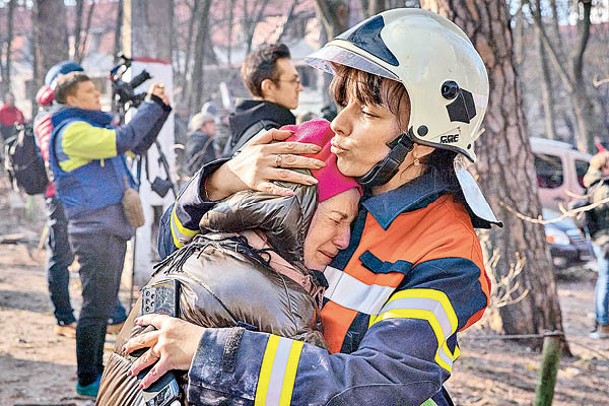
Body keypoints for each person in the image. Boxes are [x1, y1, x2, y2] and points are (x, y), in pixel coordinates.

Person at [125, 9, 500, 405]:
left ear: (422, 142)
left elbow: (378, 387)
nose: (339, 123)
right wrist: (219, 182)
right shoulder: (323, 170)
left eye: (368, 112)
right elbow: (172, 256)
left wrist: (211, 353)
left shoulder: (449, 255)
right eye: (343, 103)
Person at [97, 119, 361, 405]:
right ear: (295, 209)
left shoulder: (212, 244)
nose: (343, 240)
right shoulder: (283, 302)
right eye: (337, 219)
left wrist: (219, 179)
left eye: (351, 224)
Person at [48, 71, 172, 397]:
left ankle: (95, 374)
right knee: (95, 307)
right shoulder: (72, 132)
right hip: (94, 230)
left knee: (101, 306)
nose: (97, 96)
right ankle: (88, 378)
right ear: (72, 99)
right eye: (89, 92)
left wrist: (160, 110)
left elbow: (138, 143)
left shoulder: (91, 130)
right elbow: (125, 140)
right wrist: (152, 104)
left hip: (106, 228)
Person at [34, 61, 127, 339]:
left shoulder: (55, 115)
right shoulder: (53, 119)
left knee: (86, 261)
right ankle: (65, 318)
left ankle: (113, 315)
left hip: (70, 196)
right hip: (64, 196)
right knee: (62, 256)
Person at [222, 43, 303, 156]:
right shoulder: (269, 136)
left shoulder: (243, 128)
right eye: (294, 81)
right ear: (268, 87)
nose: (300, 88)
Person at [583, 151, 609, 339]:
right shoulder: (603, 189)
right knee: (606, 281)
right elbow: (604, 219)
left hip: (600, 240)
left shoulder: (594, 185)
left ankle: (601, 323)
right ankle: (603, 324)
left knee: (604, 280)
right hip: (605, 241)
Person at [183, 112, 220, 177]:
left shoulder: (200, 140)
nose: (214, 126)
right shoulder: (202, 141)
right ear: (202, 126)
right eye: (210, 123)